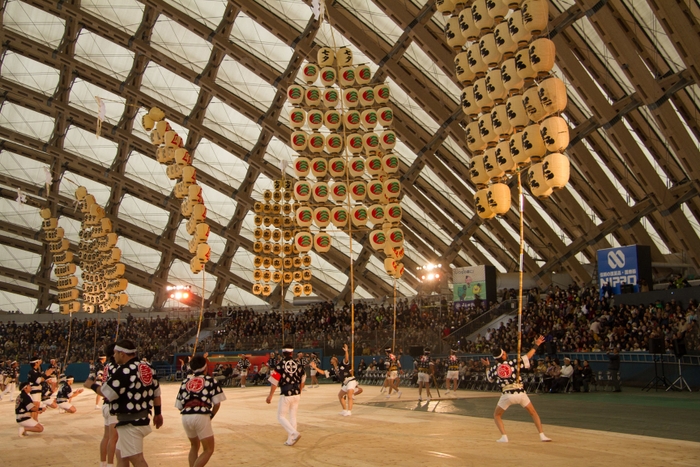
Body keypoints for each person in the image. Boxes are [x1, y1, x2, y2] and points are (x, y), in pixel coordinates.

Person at [85, 339, 163, 466]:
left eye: (115, 353)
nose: (113, 356)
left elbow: (108, 393)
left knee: (137, 458)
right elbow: (156, 393)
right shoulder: (148, 367)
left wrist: (92, 386)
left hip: (130, 421)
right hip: (141, 417)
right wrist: (158, 413)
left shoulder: (125, 370)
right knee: (121, 455)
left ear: (122, 354)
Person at [481, 336, 552, 443]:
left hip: (507, 394)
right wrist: (536, 344)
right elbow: (528, 356)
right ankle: (542, 435)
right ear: (503, 355)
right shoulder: (513, 362)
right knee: (533, 413)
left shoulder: (494, 368)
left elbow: (489, 378)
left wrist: (487, 366)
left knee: (497, 415)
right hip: (520, 392)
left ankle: (504, 436)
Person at [175, 355, 226, 467]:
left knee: (194, 446)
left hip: (186, 416)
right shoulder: (210, 380)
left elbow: (179, 405)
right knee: (208, 449)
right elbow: (217, 403)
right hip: (201, 414)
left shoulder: (185, 381)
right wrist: (211, 415)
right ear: (205, 367)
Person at [310, 344, 364, 416]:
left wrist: (346, 351)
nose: (334, 358)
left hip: (351, 380)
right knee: (340, 395)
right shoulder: (332, 370)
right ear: (331, 361)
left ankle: (349, 411)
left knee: (349, 395)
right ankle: (344, 410)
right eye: (332, 358)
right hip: (345, 383)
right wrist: (315, 367)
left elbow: (347, 359)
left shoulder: (342, 364)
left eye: (335, 358)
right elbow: (323, 372)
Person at [265, 347, 304, 446]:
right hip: (296, 393)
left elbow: (274, 382)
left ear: (283, 353)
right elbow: (303, 378)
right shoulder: (298, 364)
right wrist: (300, 391)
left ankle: (294, 433)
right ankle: (290, 440)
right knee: (293, 416)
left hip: (286, 393)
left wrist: (270, 396)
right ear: (292, 353)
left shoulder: (280, 365)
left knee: (281, 416)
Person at [97, 343, 119, 467]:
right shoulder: (116, 366)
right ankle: (110, 464)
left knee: (106, 436)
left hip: (105, 403)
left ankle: (103, 463)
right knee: (114, 438)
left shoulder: (107, 366)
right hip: (113, 405)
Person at [27, 357, 53, 421]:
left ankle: (35, 420)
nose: (39, 363)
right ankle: (32, 422)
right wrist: (46, 375)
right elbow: (38, 381)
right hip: (34, 391)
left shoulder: (36, 371)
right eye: (38, 362)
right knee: (35, 407)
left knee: (37, 406)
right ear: (35, 363)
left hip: (38, 391)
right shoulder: (32, 372)